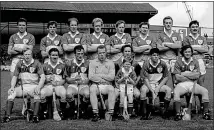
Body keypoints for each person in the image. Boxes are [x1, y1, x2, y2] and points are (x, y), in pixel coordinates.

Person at [2, 50, 45, 123]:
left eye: (28, 54)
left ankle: (35, 116)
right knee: (11, 93)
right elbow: (15, 76)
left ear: (31, 55)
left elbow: (43, 77)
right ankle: (7, 116)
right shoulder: (19, 63)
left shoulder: (37, 63)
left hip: (34, 86)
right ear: (23, 55)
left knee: (37, 94)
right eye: (25, 54)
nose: (27, 56)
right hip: (23, 87)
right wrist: (12, 87)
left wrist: (38, 87)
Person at [173, 45, 211, 121]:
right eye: (186, 52)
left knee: (205, 91)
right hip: (181, 84)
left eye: (189, 52)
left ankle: (205, 113)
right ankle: (178, 114)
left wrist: (183, 73)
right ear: (183, 53)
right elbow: (177, 77)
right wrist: (191, 74)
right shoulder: (178, 62)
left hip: (193, 84)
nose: (187, 53)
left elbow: (197, 76)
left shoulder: (195, 61)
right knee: (176, 92)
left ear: (191, 53)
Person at [182, 20, 209, 111]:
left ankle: (202, 105)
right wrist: (199, 48)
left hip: (200, 62)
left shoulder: (202, 38)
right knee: (189, 84)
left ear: (198, 28)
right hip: (189, 62)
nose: (194, 28)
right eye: (193, 27)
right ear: (190, 28)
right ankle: (188, 105)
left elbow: (206, 50)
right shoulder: (186, 38)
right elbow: (186, 50)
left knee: (200, 85)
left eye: (196, 27)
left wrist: (193, 48)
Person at [140, 48, 171, 120]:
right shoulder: (146, 63)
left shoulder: (163, 63)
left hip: (158, 84)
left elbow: (166, 77)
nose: (156, 57)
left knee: (168, 90)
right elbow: (145, 78)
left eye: (157, 55)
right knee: (143, 90)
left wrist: (158, 88)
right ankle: (144, 113)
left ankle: (165, 112)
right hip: (149, 84)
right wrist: (151, 91)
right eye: (154, 55)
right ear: (150, 56)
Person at [88, 45, 116, 122]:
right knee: (92, 89)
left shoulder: (110, 63)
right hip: (96, 85)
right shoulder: (92, 62)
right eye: (100, 53)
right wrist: (102, 79)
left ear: (106, 53)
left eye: (103, 53)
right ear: (97, 53)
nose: (102, 55)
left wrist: (99, 76)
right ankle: (95, 114)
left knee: (111, 89)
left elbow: (112, 77)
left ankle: (110, 113)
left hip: (107, 85)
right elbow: (91, 76)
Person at [40, 48, 67, 120]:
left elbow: (64, 79)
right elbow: (40, 79)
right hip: (48, 86)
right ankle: (44, 112)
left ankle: (62, 112)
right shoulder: (44, 65)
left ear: (58, 56)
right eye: (53, 55)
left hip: (59, 86)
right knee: (42, 93)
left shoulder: (62, 65)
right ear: (49, 56)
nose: (55, 57)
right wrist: (47, 79)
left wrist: (58, 83)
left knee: (63, 93)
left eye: (56, 55)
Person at [114, 44, 141, 116]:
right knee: (115, 94)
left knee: (137, 94)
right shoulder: (117, 63)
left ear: (131, 52)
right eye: (125, 51)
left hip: (131, 84)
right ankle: (118, 110)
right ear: (122, 52)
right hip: (120, 84)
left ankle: (133, 110)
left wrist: (135, 83)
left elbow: (139, 76)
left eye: (129, 51)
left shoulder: (135, 63)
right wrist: (116, 84)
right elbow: (115, 76)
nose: (127, 53)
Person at [65, 45, 90, 119]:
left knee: (87, 95)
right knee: (68, 94)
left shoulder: (88, 63)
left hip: (83, 85)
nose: (80, 55)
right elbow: (66, 79)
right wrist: (74, 79)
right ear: (74, 54)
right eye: (78, 53)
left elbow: (90, 78)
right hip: (73, 85)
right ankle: (74, 108)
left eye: (82, 53)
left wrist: (83, 81)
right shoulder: (69, 63)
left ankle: (83, 109)